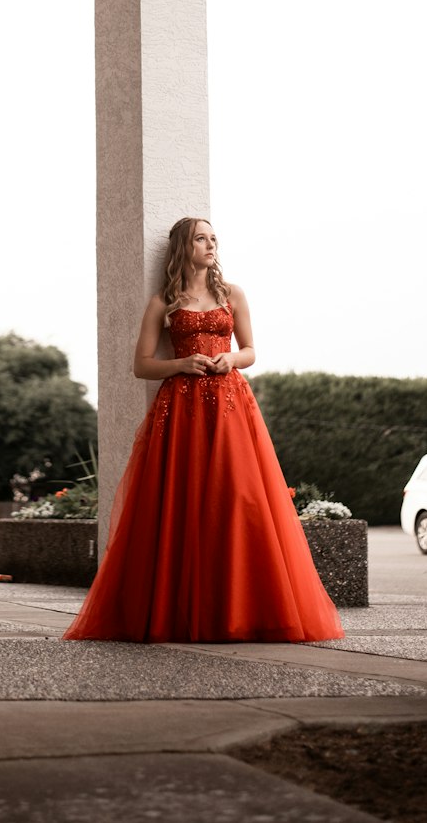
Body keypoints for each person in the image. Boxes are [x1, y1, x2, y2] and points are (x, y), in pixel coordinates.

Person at [63, 217, 345, 643]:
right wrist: (181, 363)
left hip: (231, 406)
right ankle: (180, 612)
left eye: (214, 238)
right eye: (201, 238)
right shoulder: (165, 300)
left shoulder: (232, 293)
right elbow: (141, 365)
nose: (211, 244)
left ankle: (245, 609)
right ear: (183, 246)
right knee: (182, 501)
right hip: (182, 409)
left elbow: (250, 350)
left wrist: (230, 360)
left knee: (237, 498)